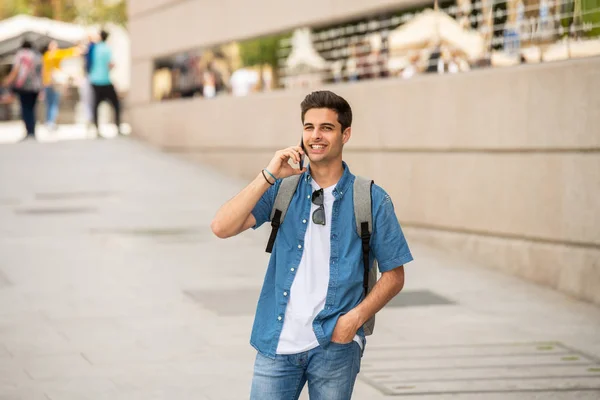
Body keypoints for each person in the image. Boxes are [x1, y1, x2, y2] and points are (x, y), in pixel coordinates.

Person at [211, 90, 413, 399]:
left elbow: (394, 275)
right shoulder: (283, 189)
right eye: (308, 127)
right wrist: (268, 174)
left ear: (346, 134)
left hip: (335, 345)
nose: (315, 136)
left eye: (326, 128)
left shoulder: (371, 199)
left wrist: (353, 321)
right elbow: (221, 227)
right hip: (276, 342)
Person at [2, 40, 42, 141]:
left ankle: (29, 132)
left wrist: (7, 80)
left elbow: (16, 70)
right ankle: (32, 132)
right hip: (36, 86)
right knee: (32, 109)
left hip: (24, 86)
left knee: (25, 109)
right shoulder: (37, 55)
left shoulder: (20, 55)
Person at [41, 40, 82, 131]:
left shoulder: (46, 56)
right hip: (54, 82)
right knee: (53, 103)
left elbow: (43, 70)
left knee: (50, 103)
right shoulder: (54, 55)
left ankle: (49, 121)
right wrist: (77, 49)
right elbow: (68, 53)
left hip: (48, 82)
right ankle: (50, 122)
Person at [88, 29, 122, 137]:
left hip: (94, 79)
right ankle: (118, 127)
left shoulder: (94, 48)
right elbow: (110, 64)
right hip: (104, 80)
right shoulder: (107, 48)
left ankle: (97, 129)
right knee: (116, 104)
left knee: (96, 105)